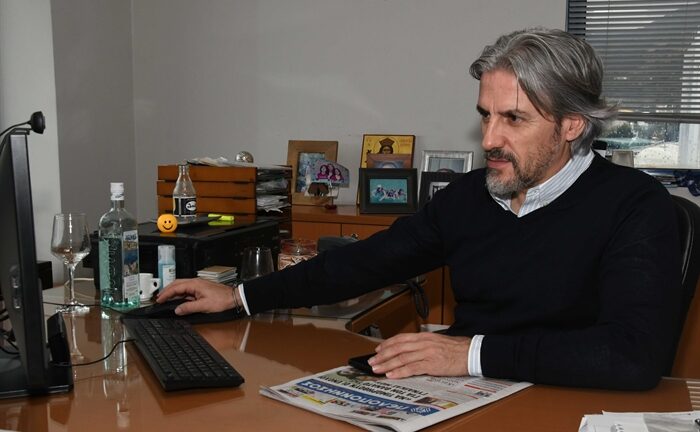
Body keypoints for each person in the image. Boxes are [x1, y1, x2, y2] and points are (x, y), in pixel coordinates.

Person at [158, 27, 682, 391]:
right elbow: (363, 263)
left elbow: (632, 356)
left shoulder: (637, 207)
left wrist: (467, 354)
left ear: (571, 125)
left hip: (567, 404)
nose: (489, 139)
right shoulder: (469, 197)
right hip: (466, 397)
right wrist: (240, 295)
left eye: (514, 119)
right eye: (485, 115)